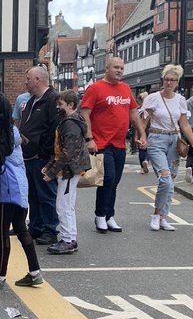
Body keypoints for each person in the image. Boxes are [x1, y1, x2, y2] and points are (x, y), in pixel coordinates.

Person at [80, 55, 147, 233]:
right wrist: (89, 138)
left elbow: (134, 114)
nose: (119, 71)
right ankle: (100, 215)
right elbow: (85, 113)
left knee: (115, 181)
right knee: (107, 178)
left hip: (119, 144)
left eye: (121, 68)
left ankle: (109, 216)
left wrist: (142, 134)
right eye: (115, 67)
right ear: (107, 69)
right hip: (102, 143)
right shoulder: (95, 89)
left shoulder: (125, 89)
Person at [139, 65, 193, 231]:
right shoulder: (153, 98)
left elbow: (185, 125)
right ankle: (155, 214)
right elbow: (144, 121)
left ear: (177, 82)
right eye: (166, 79)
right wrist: (142, 138)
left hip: (174, 141)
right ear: (163, 80)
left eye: (172, 80)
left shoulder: (180, 100)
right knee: (165, 180)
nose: (169, 82)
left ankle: (162, 217)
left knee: (171, 182)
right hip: (157, 139)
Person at [0, 126, 43, 289]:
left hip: (7, 189)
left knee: (2, 232)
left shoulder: (1, 136)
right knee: (21, 229)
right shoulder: (14, 133)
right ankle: (34, 272)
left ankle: (0, 276)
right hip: (20, 188)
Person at [42, 88, 90, 255]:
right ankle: (70, 238)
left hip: (69, 170)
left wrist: (52, 171)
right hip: (70, 168)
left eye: (60, 104)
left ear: (70, 105)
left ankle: (68, 240)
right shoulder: (72, 121)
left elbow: (67, 152)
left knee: (63, 205)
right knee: (66, 204)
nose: (58, 108)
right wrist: (50, 166)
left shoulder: (69, 124)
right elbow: (61, 148)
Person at [18, 65, 59, 244]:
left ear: (37, 80)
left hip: (42, 157)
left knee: (46, 194)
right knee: (33, 194)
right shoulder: (31, 100)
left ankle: (50, 230)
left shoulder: (52, 99)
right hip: (29, 155)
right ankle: (36, 227)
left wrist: (43, 152)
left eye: (28, 79)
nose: (26, 82)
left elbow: (54, 129)